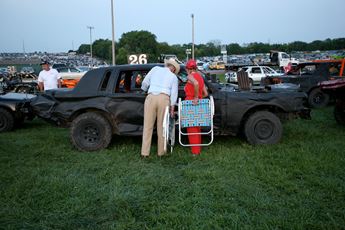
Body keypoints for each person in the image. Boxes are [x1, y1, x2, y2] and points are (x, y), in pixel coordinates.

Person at [140, 59, 180, 157]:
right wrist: (172, 109)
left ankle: (145, 153)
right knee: (162, 126)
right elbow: (174, 95)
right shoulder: (173, 77)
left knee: (147, 126)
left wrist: (145, 90)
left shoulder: (155, 69)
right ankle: (161, 152)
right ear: (173, 68)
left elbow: (145, 83)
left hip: (151, 96)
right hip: (164, 98)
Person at [184, 59, 208, 156]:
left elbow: (196, 84)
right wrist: (199, 97)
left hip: (191, 103)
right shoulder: (200, 76)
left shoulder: (190, 76)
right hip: (199, 104)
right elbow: (206, 93)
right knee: (197, 127)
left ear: (188, 69)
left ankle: (195, 152)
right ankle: (197, 150)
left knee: (191, 128)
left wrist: (195, 97)